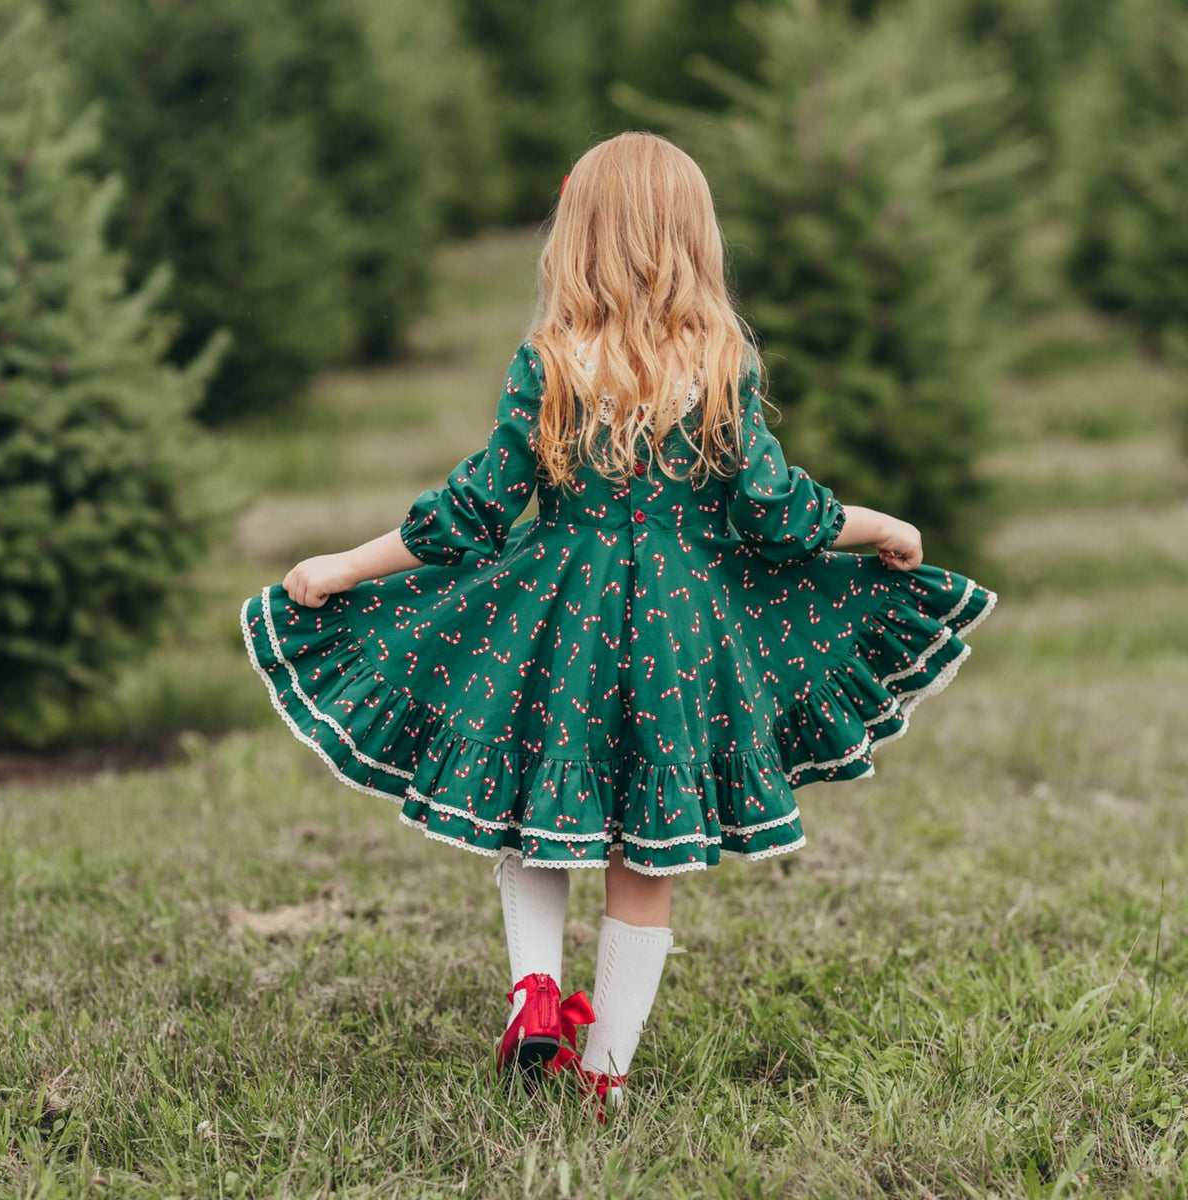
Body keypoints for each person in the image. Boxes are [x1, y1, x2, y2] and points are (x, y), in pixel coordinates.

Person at [240, 131, 995, 1114]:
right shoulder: (721, 363)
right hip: (683, 637)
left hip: (559, 616)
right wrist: (881, 525)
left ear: (577, 234)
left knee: (535, 802)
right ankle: (606, 1080)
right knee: (646, 850)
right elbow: (769, 513)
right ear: (693, 237)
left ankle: (537, 996)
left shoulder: (549, 360)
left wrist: (346, 563)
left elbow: (475, 509)